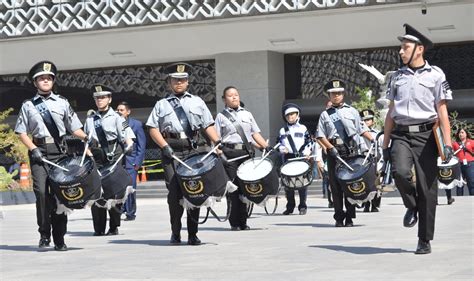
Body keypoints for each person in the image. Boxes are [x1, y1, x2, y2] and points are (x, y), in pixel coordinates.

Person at [382, 24, 453, 254]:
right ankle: (411, 206)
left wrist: (448, 143)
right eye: (401, 48)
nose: (401, 52)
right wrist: (384, 144)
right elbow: (391, 112)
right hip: (401, 133)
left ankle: (424, 239)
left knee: (427, 189)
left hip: (426, 136)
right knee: (400, 173)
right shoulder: (396, 77)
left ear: (419, 49)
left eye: (405, 47)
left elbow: (442, 111)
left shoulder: (436, 75)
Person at [15, 61, 89, 251]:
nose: (45, 81)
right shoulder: (28, 105)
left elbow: (75, 127)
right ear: (35, 83)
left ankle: (59, 238)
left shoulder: (63, 102)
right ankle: (44, 232)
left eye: (48, 78)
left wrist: (87, 137)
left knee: (60, 195)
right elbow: (22, 132)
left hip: (60, 153)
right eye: (41, 78)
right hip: (39, 153)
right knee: (41, 194)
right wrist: (34, 149)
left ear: (53, 81)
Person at [146, 62, 221, 245]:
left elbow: (207, 125)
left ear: (188, 82)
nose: (179, 83)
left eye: (182, 80)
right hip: (171, 150)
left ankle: (193, 234)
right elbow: (152, 128)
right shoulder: (161, 104)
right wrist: (164, 146)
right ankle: (176, 231)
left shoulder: (197, 101)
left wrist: (217, 142)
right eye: (175, 80)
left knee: (194, 190)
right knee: (174, 194)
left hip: (194, 148)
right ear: (169, 82)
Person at [316, 79, 374, 227]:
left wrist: (374, 140)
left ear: (343, 94)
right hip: (334, 151)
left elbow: (361, 130)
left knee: (350, 183)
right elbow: (320, 135)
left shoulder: (352, 111)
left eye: (339, 93)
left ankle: (349, 216)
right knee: (335, 186)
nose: (336, 96)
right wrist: (330, 148)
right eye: (333, 94)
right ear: (329, 96)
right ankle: (338, 217)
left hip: (351, 151)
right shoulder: (325, 114)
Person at [215, 86, 269, 230]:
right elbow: (215, 138)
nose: (234, 97)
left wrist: (265, 146)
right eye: (230, 95)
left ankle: (243, 221)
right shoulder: (221, 116)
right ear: (224, 99)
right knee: (233, 189)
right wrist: (220, 154)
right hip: (229, 154)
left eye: (236, 95)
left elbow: (255, 133)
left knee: (246, 188)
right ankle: (234, 222)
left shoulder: (247, 114)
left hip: (245, 153)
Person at [84, 85, 135, 236]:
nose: (100, 100)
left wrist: (129, 144)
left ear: (109, 99)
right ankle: (98, 227)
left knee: (113, 190)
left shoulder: (118, 118)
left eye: (103, 97)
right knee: (96, 191)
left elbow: (128, 136)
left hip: (114, 153)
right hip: (96, 155)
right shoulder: (90, 120)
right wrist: (88, 154)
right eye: (97, 98)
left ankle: (113, 226)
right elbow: (85, 142)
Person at [278, 103, 313, 215]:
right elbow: (278, 144)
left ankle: (302, 206)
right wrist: (282, 148)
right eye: (288, 115)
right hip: (288, 158)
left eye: (292, 114)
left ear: (297, 115)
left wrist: (307, 152)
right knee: (288, 184)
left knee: (302, 183)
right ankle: (290, 206)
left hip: (301, 157)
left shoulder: (303, 128)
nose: (290, 117)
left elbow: (309, 142)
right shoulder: (282, 130)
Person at [116, 101, 146, 221]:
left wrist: (137, 163)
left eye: (121, 110)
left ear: (128, 112)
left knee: (130, 187)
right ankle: (119, 210)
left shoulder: (136, 124)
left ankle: (130, 212)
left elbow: (141, 145)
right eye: (117, 110)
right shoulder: (114, 123)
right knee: (118, 188)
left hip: (131, 161)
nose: (119, 112)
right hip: (118, 161)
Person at [359, 109, 382, 212]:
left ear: (373, 121)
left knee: (376, 183)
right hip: (362, 159)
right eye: (364, 120)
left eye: (369, 120)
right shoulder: (358, 134)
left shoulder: (378, 133)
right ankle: (366, 203)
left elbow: (381, 148)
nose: (366, 122)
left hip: (375, 159)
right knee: (365, 183)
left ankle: (375, 204)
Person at [452, 128, 474, 195]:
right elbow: (452, 153)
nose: (460, 134)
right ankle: (459, 200)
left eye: (462, 132)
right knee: (459, 184)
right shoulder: (455, 143)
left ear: (466, 133)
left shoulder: (471, 142)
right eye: (459, 133)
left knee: (471, 182)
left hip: (470, 164)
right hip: (458, 165)